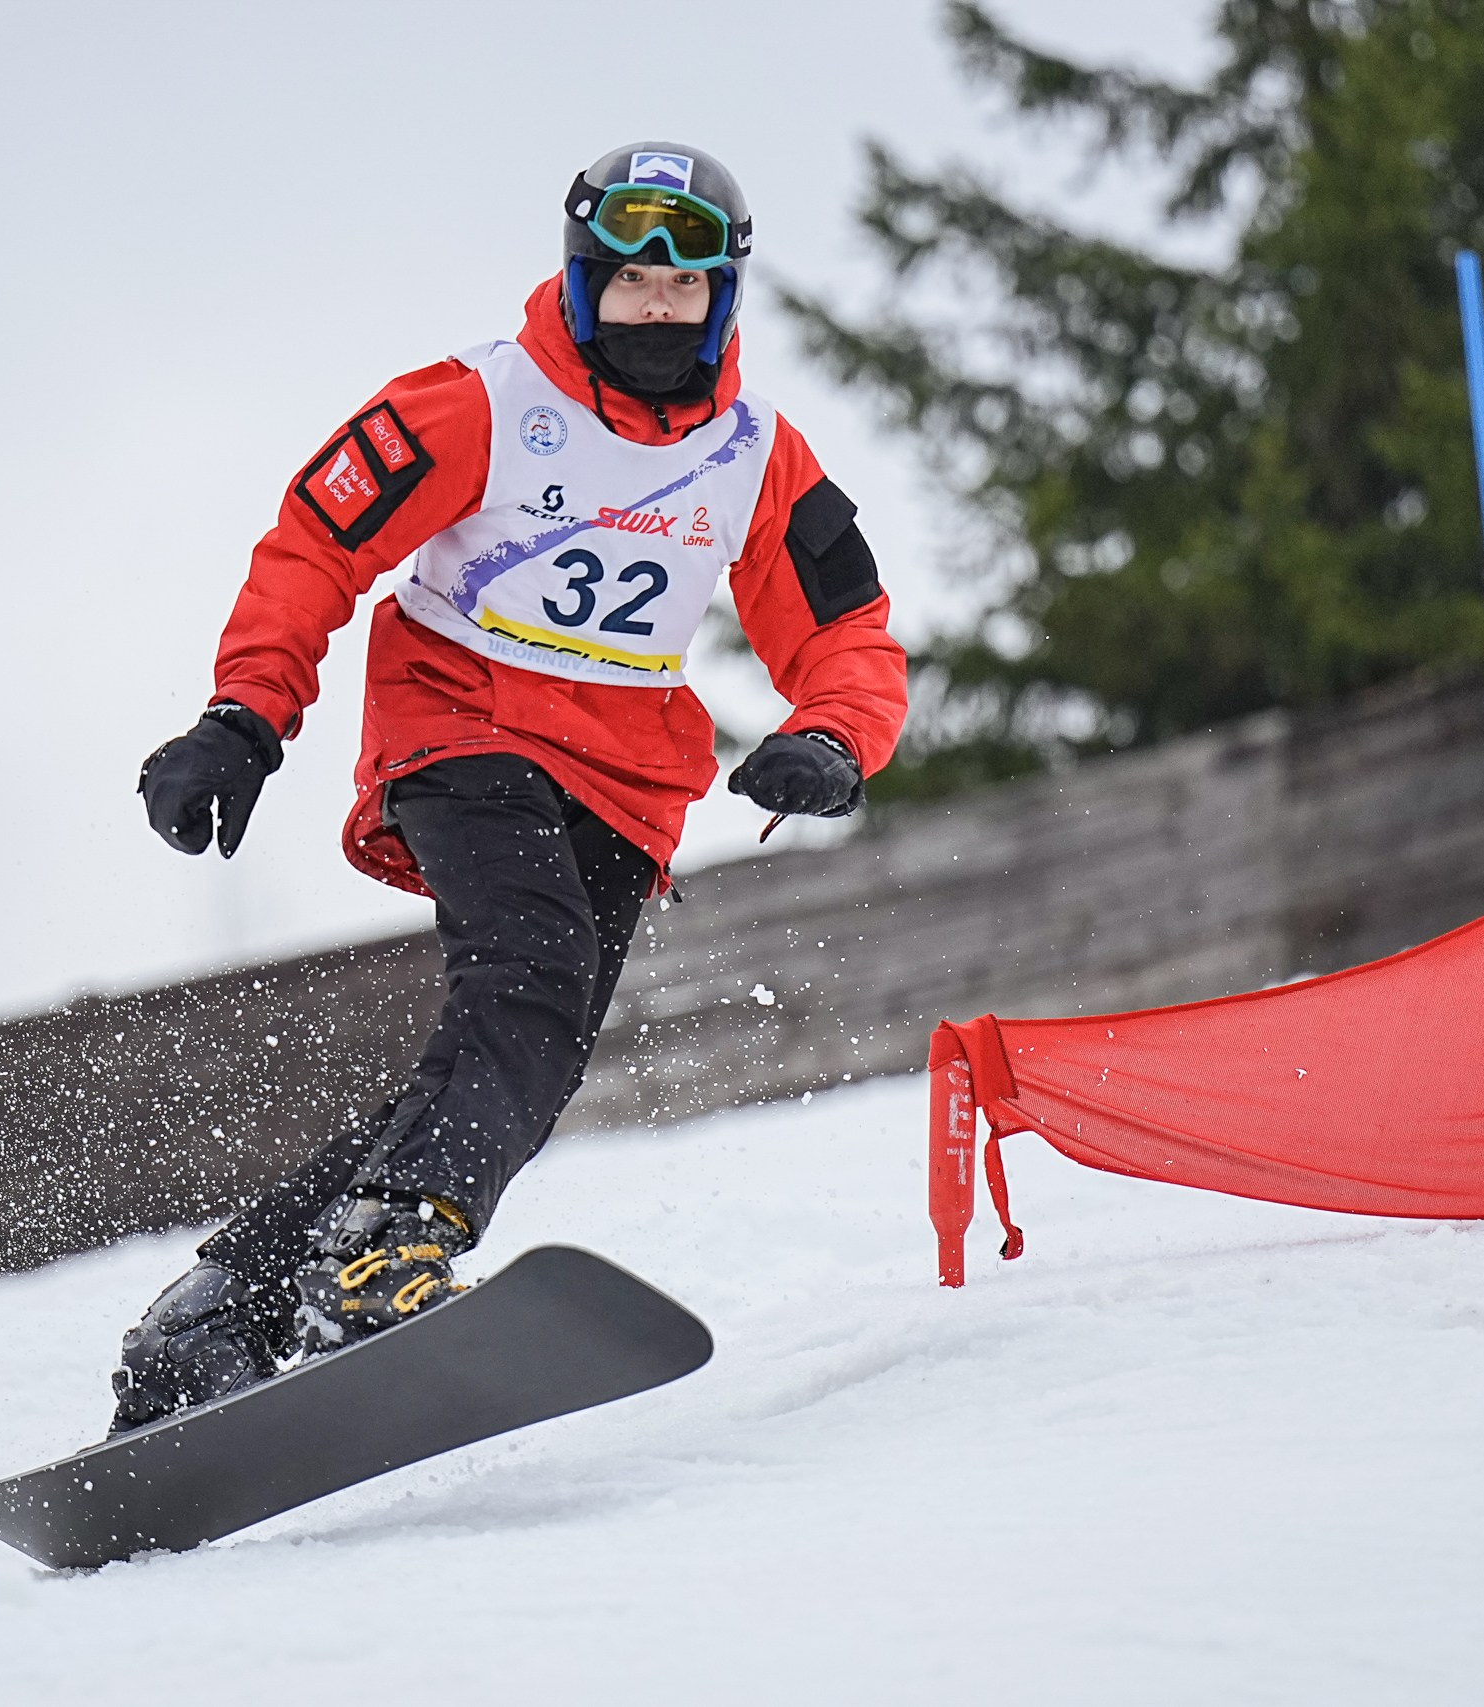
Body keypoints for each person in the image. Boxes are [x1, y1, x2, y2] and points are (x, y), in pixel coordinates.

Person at [110, 142, 909, 1433]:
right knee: (523, 993)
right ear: (583, 282)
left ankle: (221, 1307)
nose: (656, 310)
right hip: (464, 727)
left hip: (626, 781)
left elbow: (848, 628)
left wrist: (833, 736)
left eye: (683, 290)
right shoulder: (479, 400)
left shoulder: (761, 456)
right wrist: (245, 715)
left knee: (520, 1057)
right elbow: (315, 540)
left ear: (723, 299)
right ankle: (382, 1255)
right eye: (630, 284)